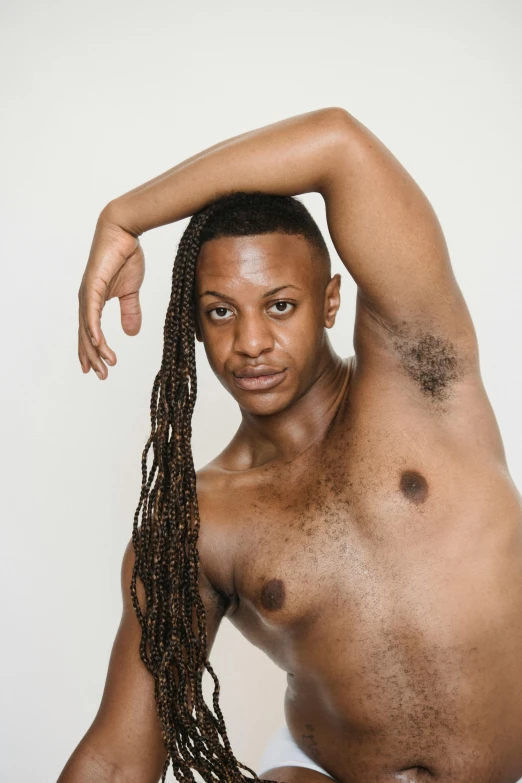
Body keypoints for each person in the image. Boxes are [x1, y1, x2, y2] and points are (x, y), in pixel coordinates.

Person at [62, 107, 522, 783]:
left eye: (280, 304)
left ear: (330, 301)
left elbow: (339, 142)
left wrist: (126, 215)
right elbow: (115, 757)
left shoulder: (422, 378)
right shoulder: (195, 521)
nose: (250, 342)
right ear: (192, 320)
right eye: (221, 310)